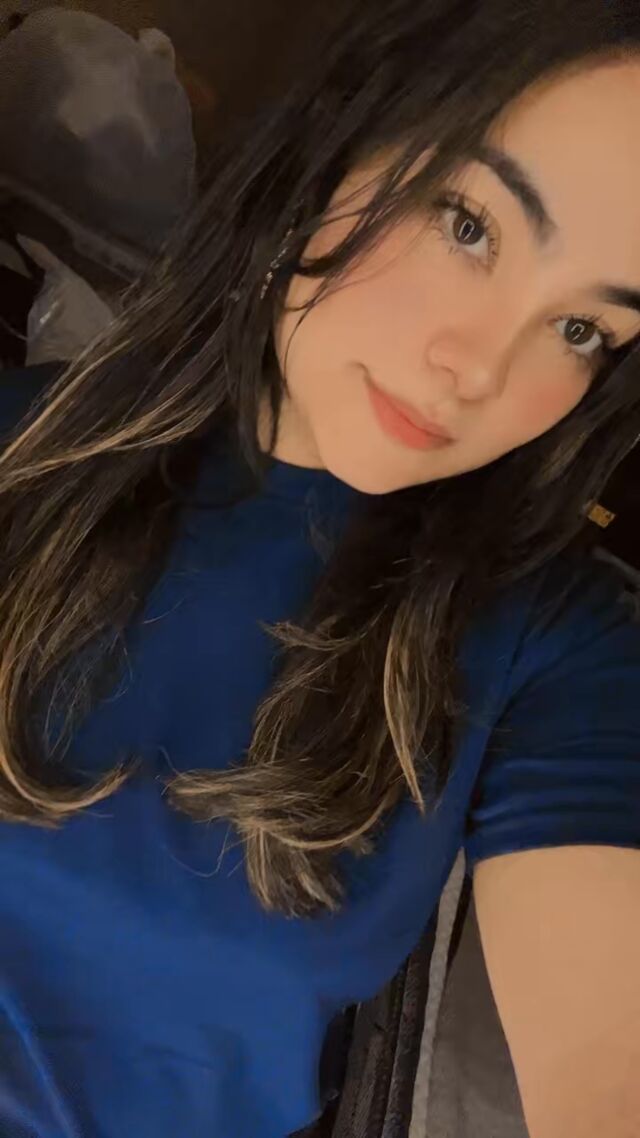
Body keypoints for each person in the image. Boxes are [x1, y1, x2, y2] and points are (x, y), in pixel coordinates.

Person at [0, 2, 639, 1136]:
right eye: (469, 225)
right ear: (341, 140)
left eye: (583, 329)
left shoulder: (551, 644)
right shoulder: (23, 450)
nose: (481, 369)